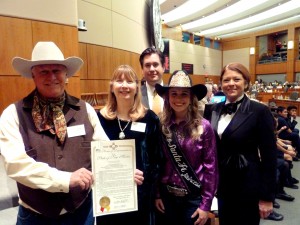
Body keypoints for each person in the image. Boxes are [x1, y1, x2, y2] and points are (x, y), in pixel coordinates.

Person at [0, 41, 103, 225]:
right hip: (35, 216)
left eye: (57, 70)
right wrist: (66, 179)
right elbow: (16, 165)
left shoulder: (85, 110)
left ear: (66, 74)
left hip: (82, 213)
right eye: (43, 71)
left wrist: (123, 169)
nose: (52, 77)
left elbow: (104, 150)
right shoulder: (12, 114)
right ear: (33, 75)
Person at [209, 62, 277, 225]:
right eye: (226, 80)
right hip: (222, 185)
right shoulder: (212, 109)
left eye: (236, 79)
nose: (231, 83)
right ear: (221, 83)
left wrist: (266, 197)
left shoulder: (260, 111)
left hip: (247, 185)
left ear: (246, 83)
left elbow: (269, 157)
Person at [96, 64, 162, 225]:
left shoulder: (149, 119)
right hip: (109, 196)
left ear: (137, 87)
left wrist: (151, 187)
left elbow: (157, 160)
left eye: (130, 81)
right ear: (112, 87)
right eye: (119, 81)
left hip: (140, 195)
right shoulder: (99, 119)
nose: (124, 85)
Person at [154, 70, 218, 225]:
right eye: (174, 94)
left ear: (191, 98)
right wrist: (157, 194)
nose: (178, 99)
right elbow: (156, 162)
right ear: (167, 97)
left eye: (184, 94)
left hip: (193, 199)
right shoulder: (161, 125)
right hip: (166, 197)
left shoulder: (204, 126)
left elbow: (211, 167)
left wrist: (206, 204)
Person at [139, 47, 165, 115]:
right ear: (142, 70)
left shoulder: (173, 93)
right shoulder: (136, 95)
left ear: (163, 68)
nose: (152, 69)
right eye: (147, 65)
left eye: (155, 64)